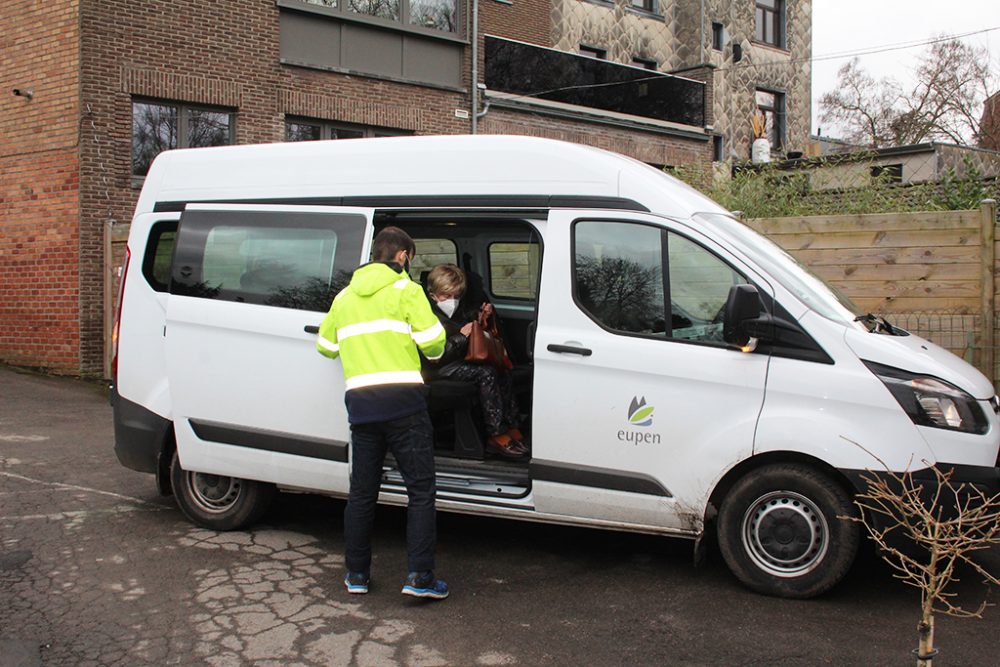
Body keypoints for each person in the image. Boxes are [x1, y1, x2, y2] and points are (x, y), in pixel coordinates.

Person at [316, 226, 450, 600]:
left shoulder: (344, 297)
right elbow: (434, 343)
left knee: (361, 494)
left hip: (362, 408)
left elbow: (325, 347)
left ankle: (356, 575)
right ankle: (419, 578)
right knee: (420, 491)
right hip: (405, 406)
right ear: (403, 255)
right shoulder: (406, 291)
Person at [424, 264, 528, 459]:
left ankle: (512, 426)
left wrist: (481, 319)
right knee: (486, 373)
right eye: (446, 296)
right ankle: (496, 434)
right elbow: (434, 356)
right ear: (433, 294)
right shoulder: (425, 316)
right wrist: (461, 337)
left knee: (501, 370)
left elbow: (467, 328)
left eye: (456, 296)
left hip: (457, 360)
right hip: (437, 368)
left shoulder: (459, 310)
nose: (451, 301)